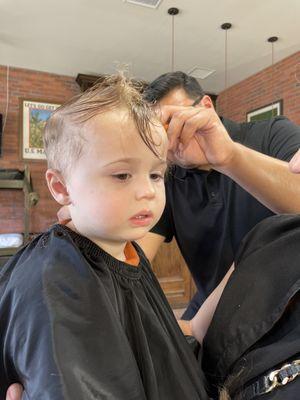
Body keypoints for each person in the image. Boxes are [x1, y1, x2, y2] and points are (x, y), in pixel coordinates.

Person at [0, 74, 211, 400]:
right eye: (121, 175)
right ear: (61, 187)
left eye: (156, 173)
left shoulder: (125, 249)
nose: (147, 192)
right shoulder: (55, 280)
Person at [138, 71, 300, 320]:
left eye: (176, 123)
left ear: (205, 106)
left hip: (283, 311)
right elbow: (136, 257)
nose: (172, 142)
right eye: (160, 134)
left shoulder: (272, 133)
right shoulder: (168, 179)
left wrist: (229, 158)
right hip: (211, 310)